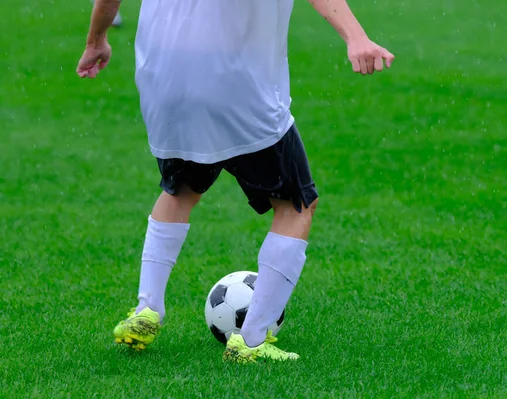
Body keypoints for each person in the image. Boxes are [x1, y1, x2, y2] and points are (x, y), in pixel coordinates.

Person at [76, 0, 394, 363]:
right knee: (295, 205)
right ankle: (252, 339)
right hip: (235, 81)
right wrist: (356, 37)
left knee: (180, 190)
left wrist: (96, 40)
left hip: (164, 78)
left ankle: (147, 309)